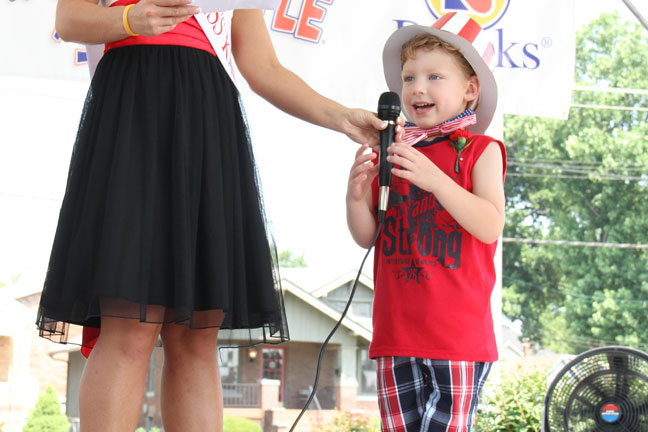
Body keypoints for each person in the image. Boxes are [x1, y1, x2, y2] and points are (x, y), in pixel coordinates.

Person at [37, 1, 402, 431]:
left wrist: (342, 117)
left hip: (208, 122)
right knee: (130, 325)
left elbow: (262, 66)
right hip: (134, 111)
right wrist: (128, 19)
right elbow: (68, 20)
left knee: (197, 335)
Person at [346, 12, 506, 432]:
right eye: (410, 77)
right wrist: (355, 196)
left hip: (457, 337)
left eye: (435, 76)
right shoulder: (393, 152)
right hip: (396, 333)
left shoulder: (481, 150)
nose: (418, 87)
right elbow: (368, 237)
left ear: (471, 89)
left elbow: (489, 224)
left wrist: (435, 180)